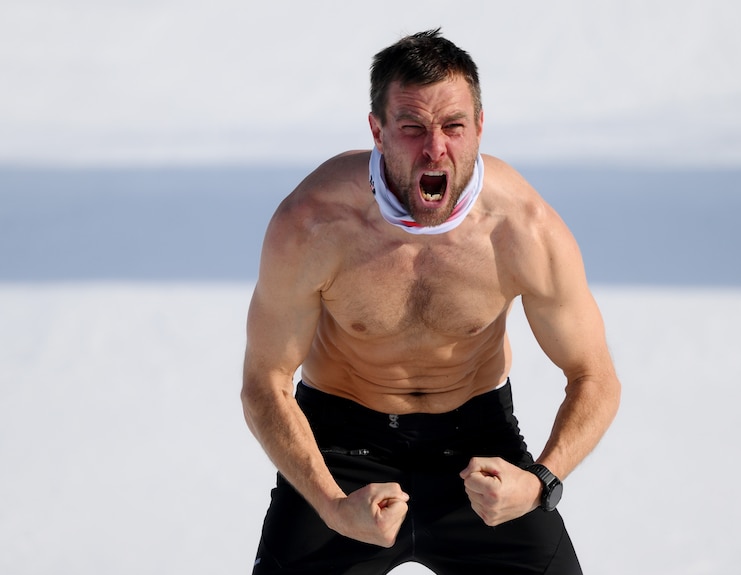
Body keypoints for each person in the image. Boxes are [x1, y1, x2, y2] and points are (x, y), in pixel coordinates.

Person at [241, 29, 621, 575]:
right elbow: (265, 382)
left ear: (480, 127)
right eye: (412, 128)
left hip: (478, 446)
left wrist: (540, 483)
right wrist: (330, 506)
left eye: (454, 127)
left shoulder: (524, 229)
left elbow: (595, 376)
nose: (435, 148)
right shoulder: (312, 225)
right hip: (341, 449)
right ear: (377, 130)